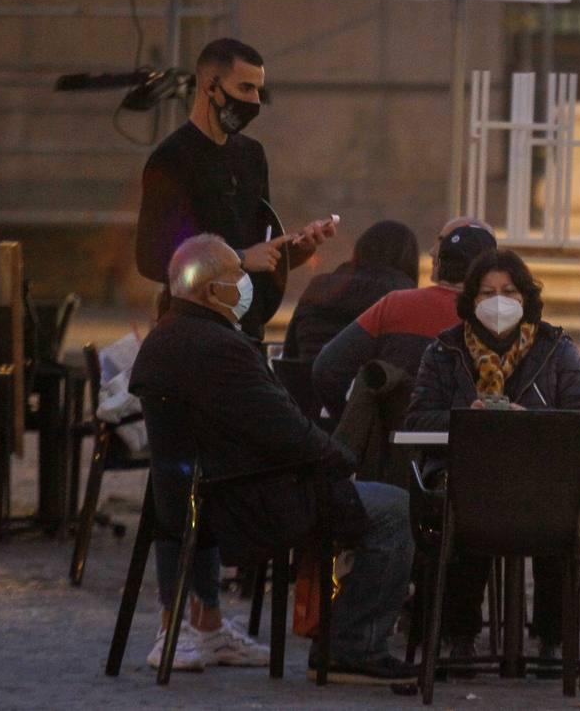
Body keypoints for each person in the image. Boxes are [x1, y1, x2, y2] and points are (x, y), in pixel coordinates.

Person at [129, 235, 418, 684]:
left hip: (199, 497)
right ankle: (351, 646)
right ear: (211, 291)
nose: (246, 282)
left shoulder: (165, 338)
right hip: (249, 501)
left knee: (371, 500)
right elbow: (285, 431)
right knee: (394, 508)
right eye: (236, 275)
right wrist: (341, 459)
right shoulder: (220, 349)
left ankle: (341, 639)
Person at [405, 248, 580, 659]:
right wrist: (465, 420)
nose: (498, 300)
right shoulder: (445, 352)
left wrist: (529, 418)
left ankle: (554, 635)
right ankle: (458, 634)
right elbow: (417, 421)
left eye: (509, 291)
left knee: (563, 502)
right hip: (468, 483)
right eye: (487, 292)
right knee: (466, 500)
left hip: (545, 482)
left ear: (525, 297)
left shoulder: (555, 348)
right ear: (471, 300)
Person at [136, 37, 339, 340]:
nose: (255, 101)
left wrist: (297, 248)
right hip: (195, 332)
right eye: (245, 88)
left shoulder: (251, 155)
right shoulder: (172, 158)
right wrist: (240, 258)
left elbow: (261, 247)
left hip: (247, 328)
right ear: (210, 87)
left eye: (259, 90)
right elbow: (152, 258)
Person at [313, 219, 496, 416]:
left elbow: (326, 368)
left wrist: (355, 419)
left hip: (389, 438)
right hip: (457, 439)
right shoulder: (493, 319)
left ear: (440, 263)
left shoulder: (394, 303)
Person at [282, 219, 420, 361]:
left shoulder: (318, 286)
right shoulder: (403, 297)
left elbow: (289, 354)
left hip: (306, 379)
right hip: (364, 382)